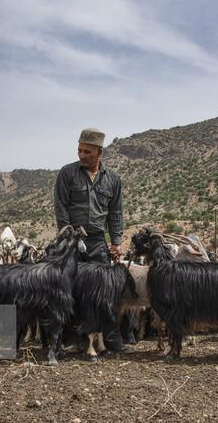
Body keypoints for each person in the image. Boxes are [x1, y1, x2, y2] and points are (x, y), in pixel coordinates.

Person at [54, 127, 127, 352]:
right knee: (69, 289)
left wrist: (115, 241)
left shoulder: (113, 179)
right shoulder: (67, 173)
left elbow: (115, 213)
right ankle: (71, 339)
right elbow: (60, 206)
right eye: (79, 150)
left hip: (97, 241)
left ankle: (110, 339)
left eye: (87, 151)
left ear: (99, 153)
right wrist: (67, 236)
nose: (82, 155)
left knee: (104, 291)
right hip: (72, 240)